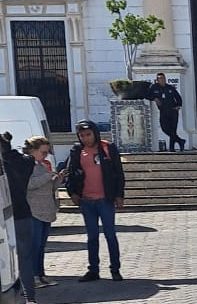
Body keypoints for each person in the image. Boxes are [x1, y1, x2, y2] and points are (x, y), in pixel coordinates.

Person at [65, 120, 125, 282]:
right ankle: (93, 270)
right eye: (82, 135)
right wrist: (72, 193)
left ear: (95, 133)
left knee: (110, 234)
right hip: (86, 201)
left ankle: (115, 269)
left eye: (88, 134)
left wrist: (119, 195)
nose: (85, 138)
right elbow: (71, 173)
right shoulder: (77, 151)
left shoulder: (107, 148)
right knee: (92, 237)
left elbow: (118, 173)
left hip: (105, 199)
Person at [2, 132, 38, 303]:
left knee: (7, 262)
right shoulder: (26, 162)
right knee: (25, 259)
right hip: (23, 214)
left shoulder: (4, 165)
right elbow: (28, 159)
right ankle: (29, 296)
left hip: (6, 217)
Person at [24, 136, 64, 289]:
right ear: (33, 150)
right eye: (43, 152)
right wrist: (48, 176)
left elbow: (49, 188)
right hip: (34, 211)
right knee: (34, 245)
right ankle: (33, 276)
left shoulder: (41, 165)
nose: (45, 155)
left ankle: (40, 274)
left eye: (47, 152)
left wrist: (57, 179)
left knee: (41, 246)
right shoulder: (26, 166)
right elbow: (29, 185)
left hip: (46, 210)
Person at [148, 73, 185, 152]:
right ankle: (180, 141)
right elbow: (148, 95)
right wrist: (155, 98)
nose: (162, 80)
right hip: (163, 111)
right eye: (160, 78)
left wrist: (178, 106)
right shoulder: (154, 88)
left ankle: (172, 148)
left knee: (173, 129)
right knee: (164, 128)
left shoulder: (170, 88)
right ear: (157, 80)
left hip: (173, 111)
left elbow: (178, 97)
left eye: (163, 78)